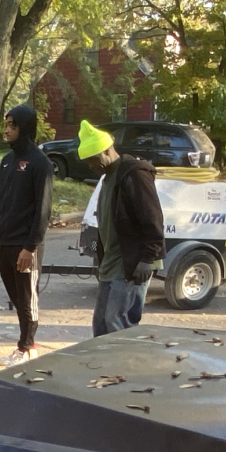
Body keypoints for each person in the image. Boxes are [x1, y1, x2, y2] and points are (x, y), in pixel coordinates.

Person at [0, 105, 52, 367]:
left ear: (25, 128)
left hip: (25, 245)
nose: (7, 130)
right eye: (6, 125)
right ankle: (22, 346)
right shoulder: (7, 161)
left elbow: (43, 211)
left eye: (12, 125)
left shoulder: (40, 163)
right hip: (5, 242)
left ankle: (28, 348)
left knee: (27, 297)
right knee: (16, 298)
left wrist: (30, 247)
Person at [78, 120, 165, 336]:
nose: (91, 166)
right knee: (101, 324)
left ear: (108, 150)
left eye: (93, 160)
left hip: (132, 262)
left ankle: (122, 369)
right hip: (111, 263)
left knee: (118, 323)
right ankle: (103, 368)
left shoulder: (134, 174)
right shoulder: (108, 179)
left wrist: (147, 260)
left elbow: (153, 218)